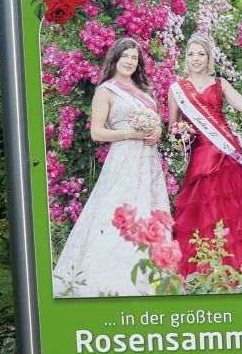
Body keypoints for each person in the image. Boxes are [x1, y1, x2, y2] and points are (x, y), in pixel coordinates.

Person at [53, 37, 170, 297]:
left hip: (148, 160)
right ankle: (112, 279)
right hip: (123, 159)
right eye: (125, 56)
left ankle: (149, 280)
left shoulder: (144, 90)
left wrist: (157, 131)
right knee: (119, 212)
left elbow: (156, 122)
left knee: (148, 213)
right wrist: (131, 133)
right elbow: (97, 132)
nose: (129, 61)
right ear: (115, 59)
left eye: (134, 58)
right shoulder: (106, 91)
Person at [168, 33, 242, 277]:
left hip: (228, 156)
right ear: (186, 58)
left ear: (209, 58)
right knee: (205, 218)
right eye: (191, 54)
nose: (196, 59)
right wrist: (180, 138)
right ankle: (208, 274)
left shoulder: (220, 83)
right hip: (201, 161)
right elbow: (173, 128)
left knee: (236, 216)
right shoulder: (176, 89)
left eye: (201, 54)